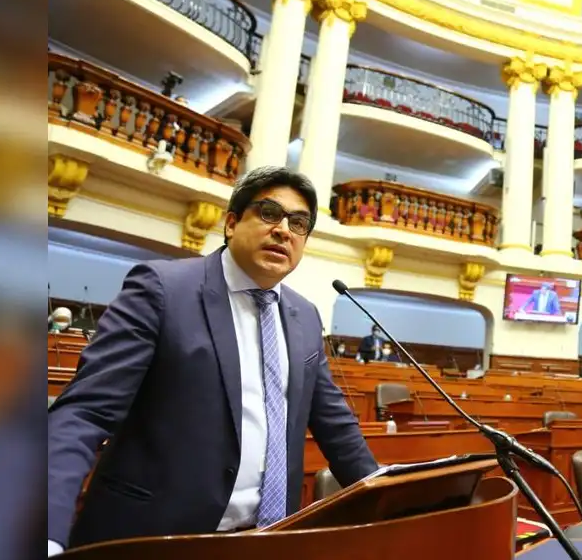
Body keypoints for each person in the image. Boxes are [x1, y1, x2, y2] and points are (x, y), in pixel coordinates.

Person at [46, 167, 379, 554]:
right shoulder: (162, 289)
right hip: (151, 537)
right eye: (269, 213)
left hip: (264, 539)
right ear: (231, 223)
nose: (284, 229)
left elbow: (336, 425)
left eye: (299, 222)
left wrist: (391, 500)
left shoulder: (304, 315)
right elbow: (85, 412)